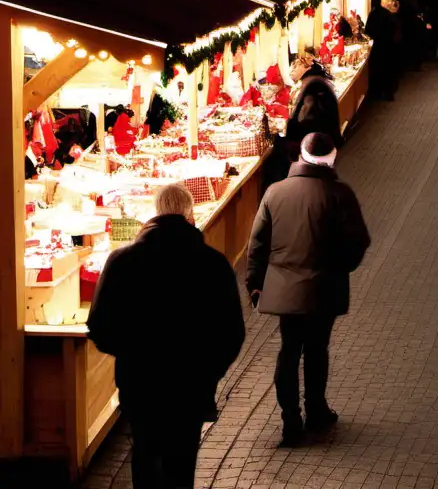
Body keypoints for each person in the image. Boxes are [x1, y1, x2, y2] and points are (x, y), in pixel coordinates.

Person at [88, 183, 245, 487]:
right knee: (182, 460)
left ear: (155, 212)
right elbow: (232, 332)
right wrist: (210, 371)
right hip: (192, 384)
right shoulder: (212, 263)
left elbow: (100, 327)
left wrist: (130, 355)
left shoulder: (122, 261)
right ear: (190, 214)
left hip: (140, 383)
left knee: (145, 453)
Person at [246, 132, 371, 446]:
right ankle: (316, 409)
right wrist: (341, 266)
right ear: (331, 159)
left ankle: (290, 421)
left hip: (285, 290)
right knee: (317, 349)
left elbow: (257, 244)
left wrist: (255, 283)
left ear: (300, 156)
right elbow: (359, 241)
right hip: (324, 289)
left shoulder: (275, 192)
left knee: (289, 350)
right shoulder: (340, 194)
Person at [287, 56, 342, 149]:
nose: (292, 71)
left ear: (307, 68)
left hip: (317, 144)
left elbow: (304, 118)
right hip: (327, 140)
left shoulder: (312, 86)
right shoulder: (318, 81)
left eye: (296, 66)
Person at [364, 0, 400, 99]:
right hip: (389, 45)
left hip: (378, 46)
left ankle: (377, 93)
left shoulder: (373, 14)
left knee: (378, 69)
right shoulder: (388, 15)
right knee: (389, 69)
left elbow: (368, 31)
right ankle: (389, 93)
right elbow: (394, 29)